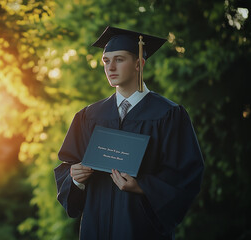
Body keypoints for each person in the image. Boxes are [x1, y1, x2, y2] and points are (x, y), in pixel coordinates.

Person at [54, 26, 205, 239]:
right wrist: (75, 178)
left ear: (138, 64)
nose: (111, 67)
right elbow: (67, 166)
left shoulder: (169, 115)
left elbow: (186, 175)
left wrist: (143, 186)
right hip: (95, 229)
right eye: (106, 61)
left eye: (119, 59)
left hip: (141, 230)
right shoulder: (88, 116)